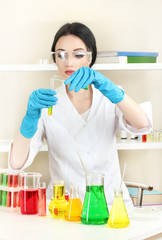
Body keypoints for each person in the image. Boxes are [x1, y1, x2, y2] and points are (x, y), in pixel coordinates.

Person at [9, 22, 152, 206]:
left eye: (78, 54)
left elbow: (143, 125)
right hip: (64, 206)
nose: (69, 62)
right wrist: (29, 118)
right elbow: (16, 163)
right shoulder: (46, 103)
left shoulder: (108, 96)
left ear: (89, 58)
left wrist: (114, 92)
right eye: (61, 55)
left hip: (110, 204)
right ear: (54, 59)